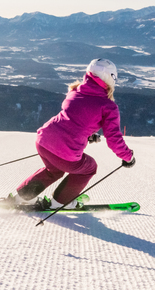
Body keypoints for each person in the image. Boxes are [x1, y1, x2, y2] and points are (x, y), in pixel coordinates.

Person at [11, 58, 135, 209]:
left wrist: (88, 134)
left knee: (54, 170)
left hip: (43, 140)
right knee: (89, 168)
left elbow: (76, 119)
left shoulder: (75, 91)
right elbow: (114, 139)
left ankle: (23, 196)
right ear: (111, 78)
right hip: (65, 152)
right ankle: (59, 203)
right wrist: (128, 157)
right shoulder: (108, 106)